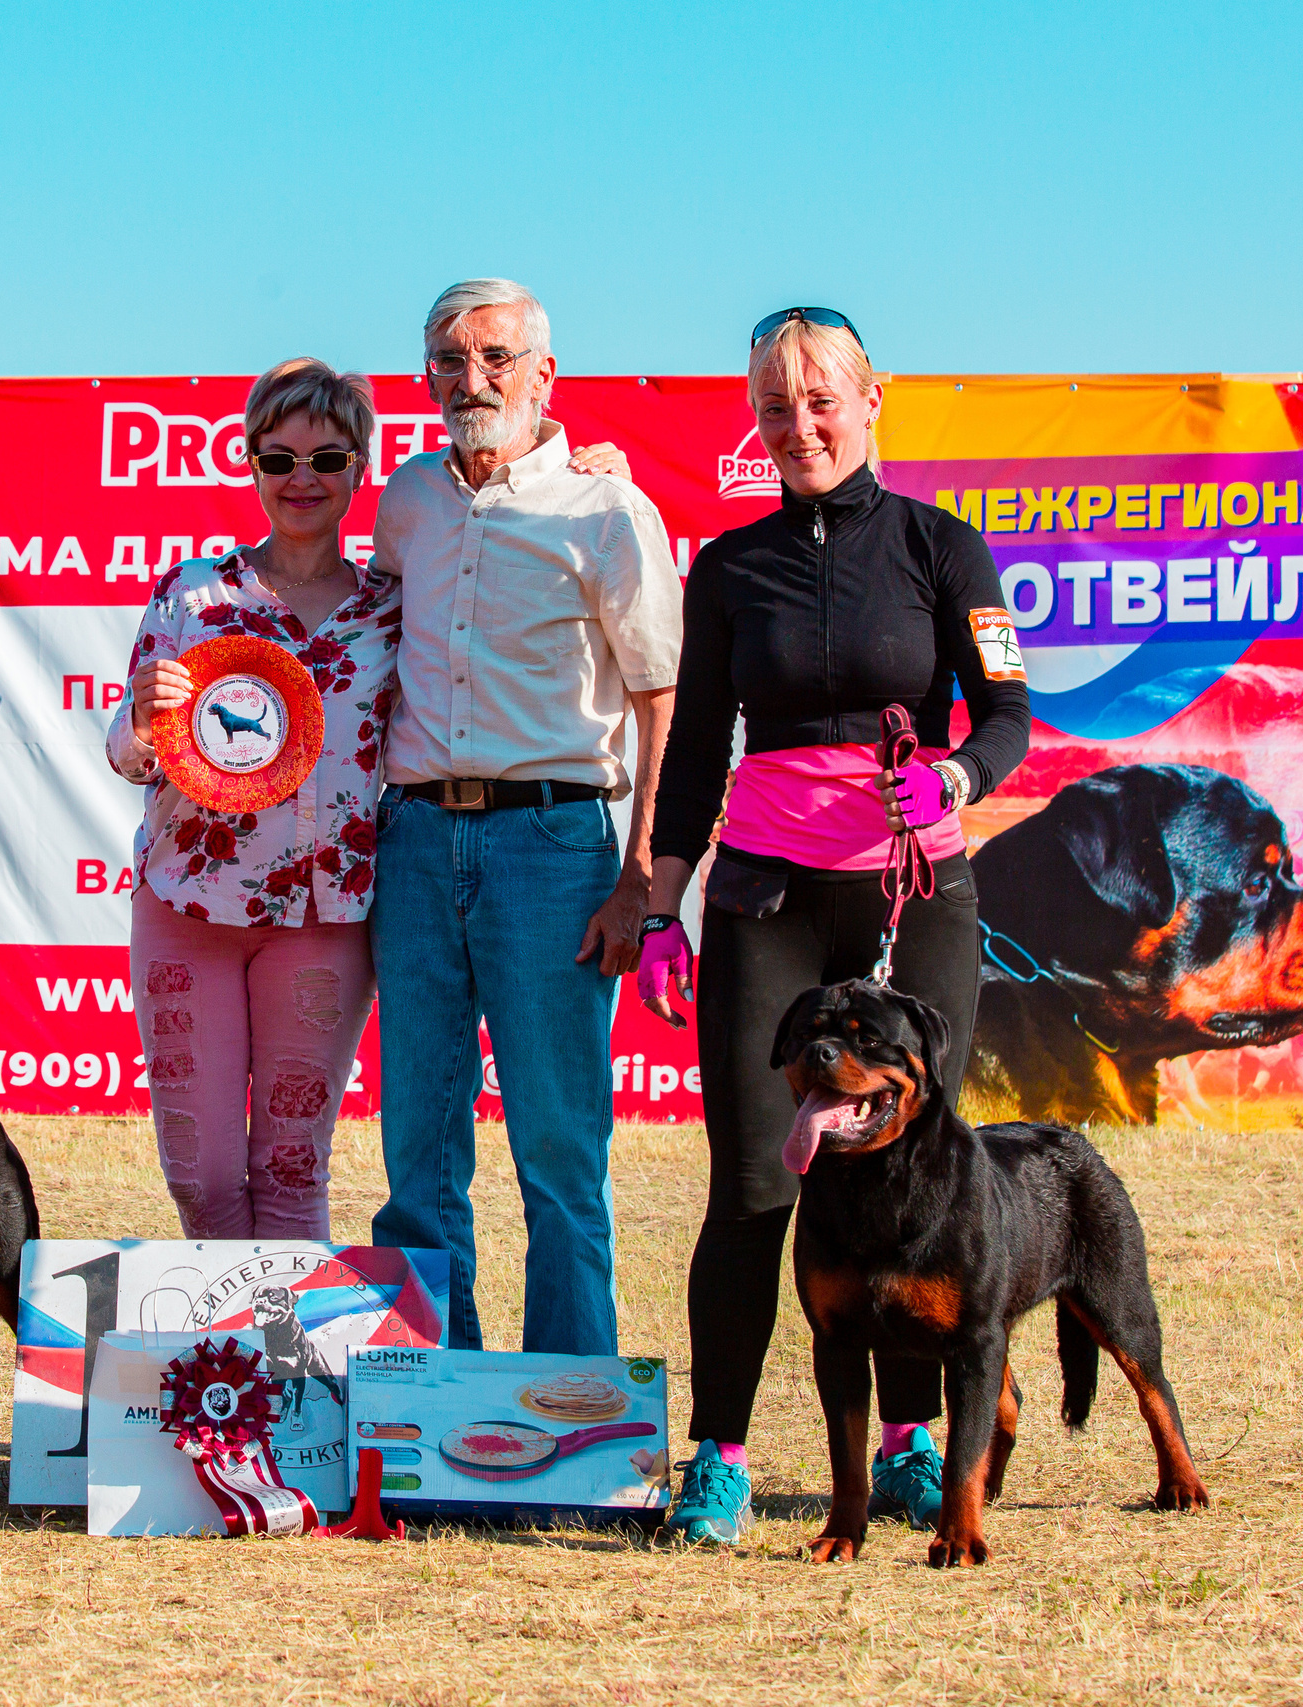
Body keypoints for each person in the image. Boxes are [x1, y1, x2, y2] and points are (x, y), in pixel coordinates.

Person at [639, 307, 1031, 1545]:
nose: (798, 423)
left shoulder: (943, 548)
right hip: (767, 898)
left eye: (820, 398)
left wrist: (957, 777)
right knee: (757, 1184)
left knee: (913, 1180)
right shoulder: (728, 567)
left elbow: (1008, 717)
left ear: (871, 400)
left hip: (915, 896)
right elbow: (694, 751)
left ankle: (910, 1447)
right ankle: (718, 1459)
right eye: (774, 404)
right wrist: (661, 906)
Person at [366, 279, 684, 1356]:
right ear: (426, 378)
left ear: (545, 374)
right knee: (416, 1153)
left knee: (558, 1155)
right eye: (450, 360)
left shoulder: (608, 509)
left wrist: (639, 877)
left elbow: (663, 701)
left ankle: (570, 1414)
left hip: (555, 849)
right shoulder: (407, 499)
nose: (473, 380)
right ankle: (426, 1401)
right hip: (415, 842)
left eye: (496, 357)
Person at [104, 359, 398, 1238]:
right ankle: (229, 1332)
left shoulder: (394, 610)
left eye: (327, 458)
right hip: (187, 904)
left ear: (360, 466)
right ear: (251, 464)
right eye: (279, 459)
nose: (302, 478)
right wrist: (142, 719)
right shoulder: (193, 592)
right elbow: (126, 753)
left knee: (293, 1169)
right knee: (200, 1177)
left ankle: (285, 1336)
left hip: (324, 916)